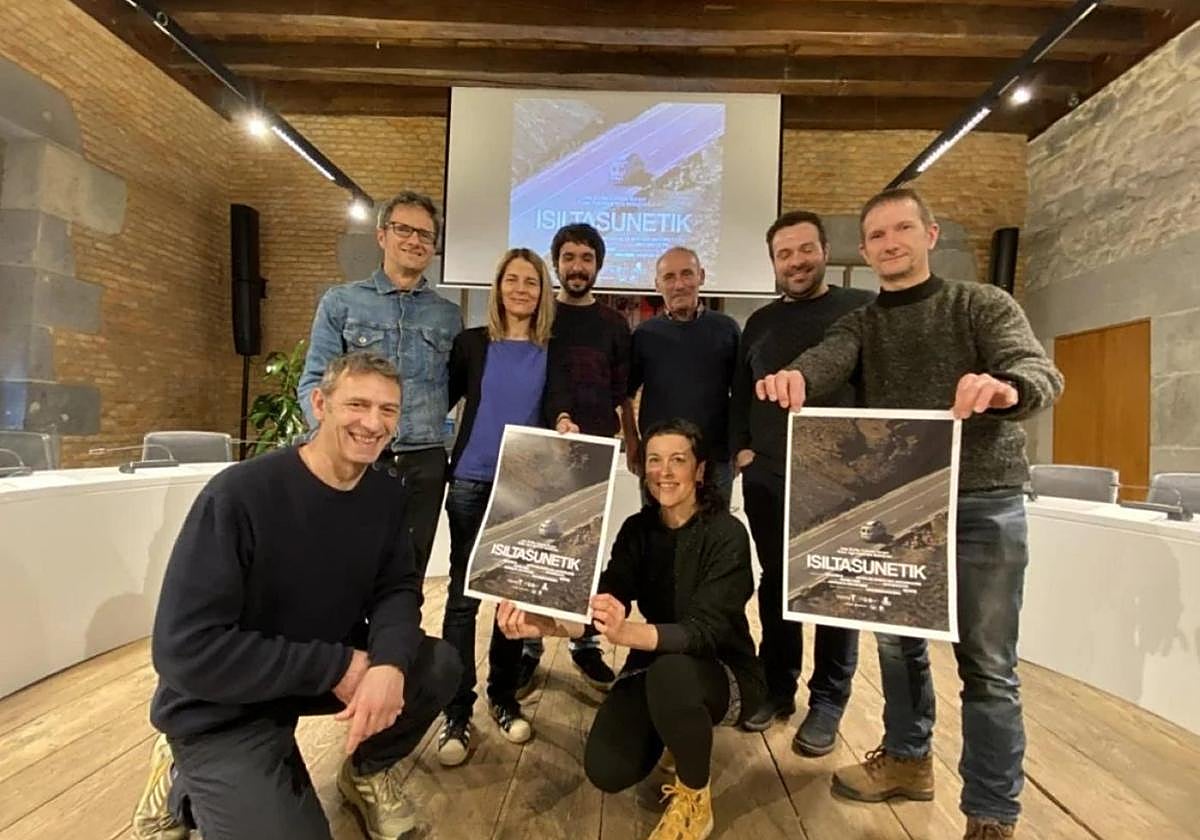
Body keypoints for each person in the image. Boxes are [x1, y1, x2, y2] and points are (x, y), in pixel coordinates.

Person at [756, 188, 1064, 840]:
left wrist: (1006, 388)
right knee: (898, 648)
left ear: (930, 233)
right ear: (864, 251)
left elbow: (1038, 370)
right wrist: (799, 380)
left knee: (988, 667)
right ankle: (906, 758)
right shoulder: (864, 323)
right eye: (877, 235)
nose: (890, 242)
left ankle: (991, 814)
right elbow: (827, 360)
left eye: (902, 228)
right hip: (903, 504)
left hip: (984, 500)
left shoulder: (980, 304)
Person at [131, 352, 461, 840]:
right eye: (358, 404)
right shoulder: (238, 496)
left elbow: (396, 588)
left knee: (438, 666)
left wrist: (388, 665)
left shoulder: (386, 497)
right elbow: (184, 649)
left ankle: (366, 772)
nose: (373, 423)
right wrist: (338, 667)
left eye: (388, 410)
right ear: (320, 404)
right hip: (222, 706)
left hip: (309, 674)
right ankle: (182, 776)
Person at [496, 419, 766, 840]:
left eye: (678, 460)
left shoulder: (727, 533)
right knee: (606, 769)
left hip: (724, 669)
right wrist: (546, 623)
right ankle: (676, 732)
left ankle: (695, 798)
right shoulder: (638, 530)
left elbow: (704, 632)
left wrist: (628, 635)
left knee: (672, 673)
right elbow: (608, 593)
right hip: (657, 669)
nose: (665, 471)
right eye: (655, 460)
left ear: (699, 471)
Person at [729, 211, 874, 752]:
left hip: (840, 479)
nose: (796, 261)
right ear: (773, 262)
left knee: (836, 586)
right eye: (784, 254)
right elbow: (740, 394)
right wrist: (740, 449)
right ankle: (777, 685)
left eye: (804, 250)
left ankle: (829, 699)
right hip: (768, 473)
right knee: (777, 583)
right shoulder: (760, 322)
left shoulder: (860, 310)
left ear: (825, 250)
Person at [298, 191, 462, 580]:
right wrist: (328, 442)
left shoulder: (447, 316)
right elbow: (313, 382)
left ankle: (398, 641)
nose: (415, 240)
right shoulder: (342, 302)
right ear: (381, 236)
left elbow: (449, 387)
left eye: (425, 234)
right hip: (355, 457)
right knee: (342, 569)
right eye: (403, 229)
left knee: (409, 573)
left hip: (424, 463)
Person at [436, 248, 556, 767]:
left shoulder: (552, 348)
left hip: (524, 491)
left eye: (532, 281)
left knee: (512, 598)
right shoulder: (470, 344)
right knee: (463, 602)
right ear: (499, 286)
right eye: (513, 279)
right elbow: (441, 403)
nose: (522, 289)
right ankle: (455, 711)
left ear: (542, 291)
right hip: (469, 481)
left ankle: (502, 699)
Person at [524, 222, 634, 692]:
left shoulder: (612, 323)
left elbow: (623, 391)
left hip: (597, 452)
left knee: (587, 549)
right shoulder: (539, 314)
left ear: (598, 265)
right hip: (538, 450)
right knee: (538, 548)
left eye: (586, 259)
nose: (577, 267)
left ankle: (583, 642)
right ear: (556, 263)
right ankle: (528, 643)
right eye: (568, 257)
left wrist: (633, 440)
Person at [627, 246, 740, 505]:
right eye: (669, 277)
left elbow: (742, 394)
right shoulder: (644, 335)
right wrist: (633, 442)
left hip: (715, 460)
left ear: (701, 276)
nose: (679, 285)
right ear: (657, 285)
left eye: (686, 274)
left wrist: (740, 445)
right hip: (660, 464)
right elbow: (626, 394)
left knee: (716, 539)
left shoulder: (727, 329)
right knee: (657, 540)